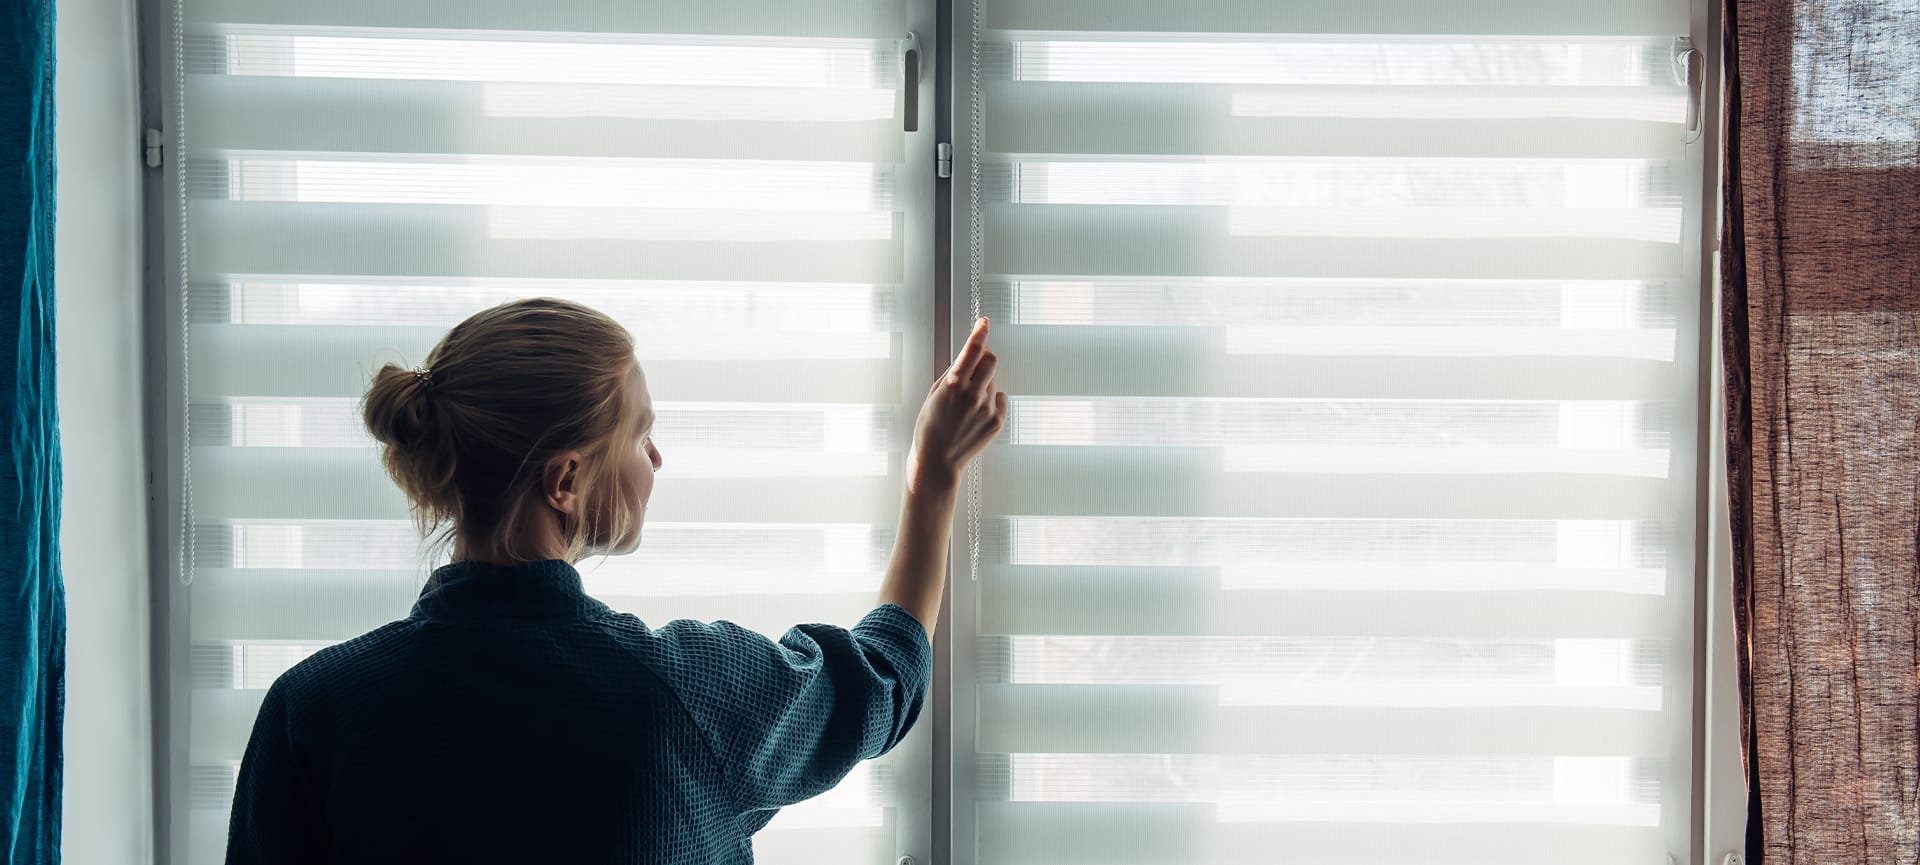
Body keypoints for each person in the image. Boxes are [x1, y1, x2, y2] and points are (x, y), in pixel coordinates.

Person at [224, 298, 1005, 864]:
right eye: (641, 434)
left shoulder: (313, 710)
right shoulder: (684, 692)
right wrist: (931, 478)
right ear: (565, 481)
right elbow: (883, 679)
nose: (656, 459)